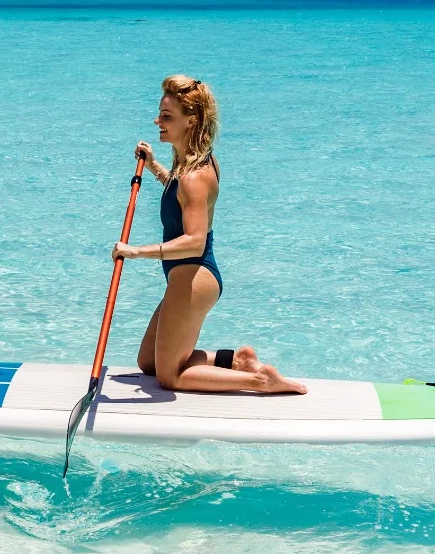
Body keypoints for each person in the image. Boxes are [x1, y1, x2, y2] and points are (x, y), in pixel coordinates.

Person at [113, 75, 305, 394]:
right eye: (160, 113)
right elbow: (181, 200)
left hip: (194, 279)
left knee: (169, 376)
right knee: (149, 362)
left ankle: (261, 381)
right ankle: (238, 360)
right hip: (185, 277)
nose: (157, 120)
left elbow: (195, 240)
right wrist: (155, 167)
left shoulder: (195, 176)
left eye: (167, 116)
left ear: (191, 120)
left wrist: (135, 252)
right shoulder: (191, 161)